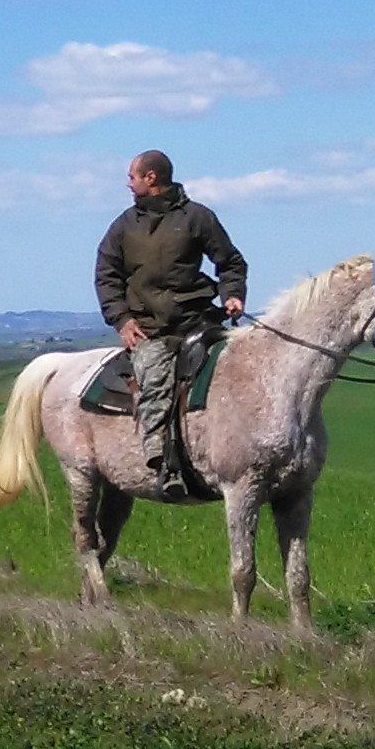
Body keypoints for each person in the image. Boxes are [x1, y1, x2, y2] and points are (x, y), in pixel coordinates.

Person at [93, 150, 247, 498]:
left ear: (151, 178)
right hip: (151, 328)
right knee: (156, 381)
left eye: (131, 176)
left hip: (199, 319)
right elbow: (106, 275)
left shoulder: (197, 218)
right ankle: (163, 463)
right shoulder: (123, 226)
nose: (127, 182)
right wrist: (122, 320)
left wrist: (233, 294)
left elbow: (230, 261)